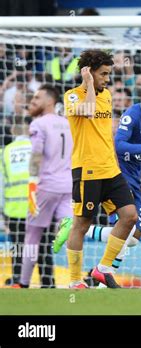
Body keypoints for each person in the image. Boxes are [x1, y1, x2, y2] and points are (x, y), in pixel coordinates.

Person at [53, 75, 141, 280]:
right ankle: (103, 274)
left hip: (135, 175)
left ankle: (79, 234)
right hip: (117, 174)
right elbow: (118, 145)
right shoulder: (132, 114)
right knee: (128, 228)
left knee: (133, 237)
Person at [60, 50, 138, 289]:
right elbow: (89, 110)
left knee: (130, 218)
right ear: (89, 72)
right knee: (81, 225)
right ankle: (74, 281)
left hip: (110, 169)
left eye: (109, 73)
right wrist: (88, 84)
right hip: (87, 171)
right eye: (103, 74)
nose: (107, 78)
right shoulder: (72, 96)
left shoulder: (106, 96)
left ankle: (102, 268)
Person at [16, 85, 73, 288]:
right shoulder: (67, 123)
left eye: (38, 97)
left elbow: (37, 154)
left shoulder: (38, 124)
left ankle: (23, 283)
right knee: (72, 233)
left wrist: (32, 183)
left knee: (32, 234)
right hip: (68, 185)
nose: (34, 100)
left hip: (47, 185)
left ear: (50, 101)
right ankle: (77, 281)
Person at [1, 115, 55, 287]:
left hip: (14, 208)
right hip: (39, 206)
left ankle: (18, 279)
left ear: (12, 130)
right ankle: (47, 282)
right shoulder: (40, 148)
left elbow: (1, 184)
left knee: (18, 247)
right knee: (43, 245)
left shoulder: (5, 152)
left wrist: (2, 210)